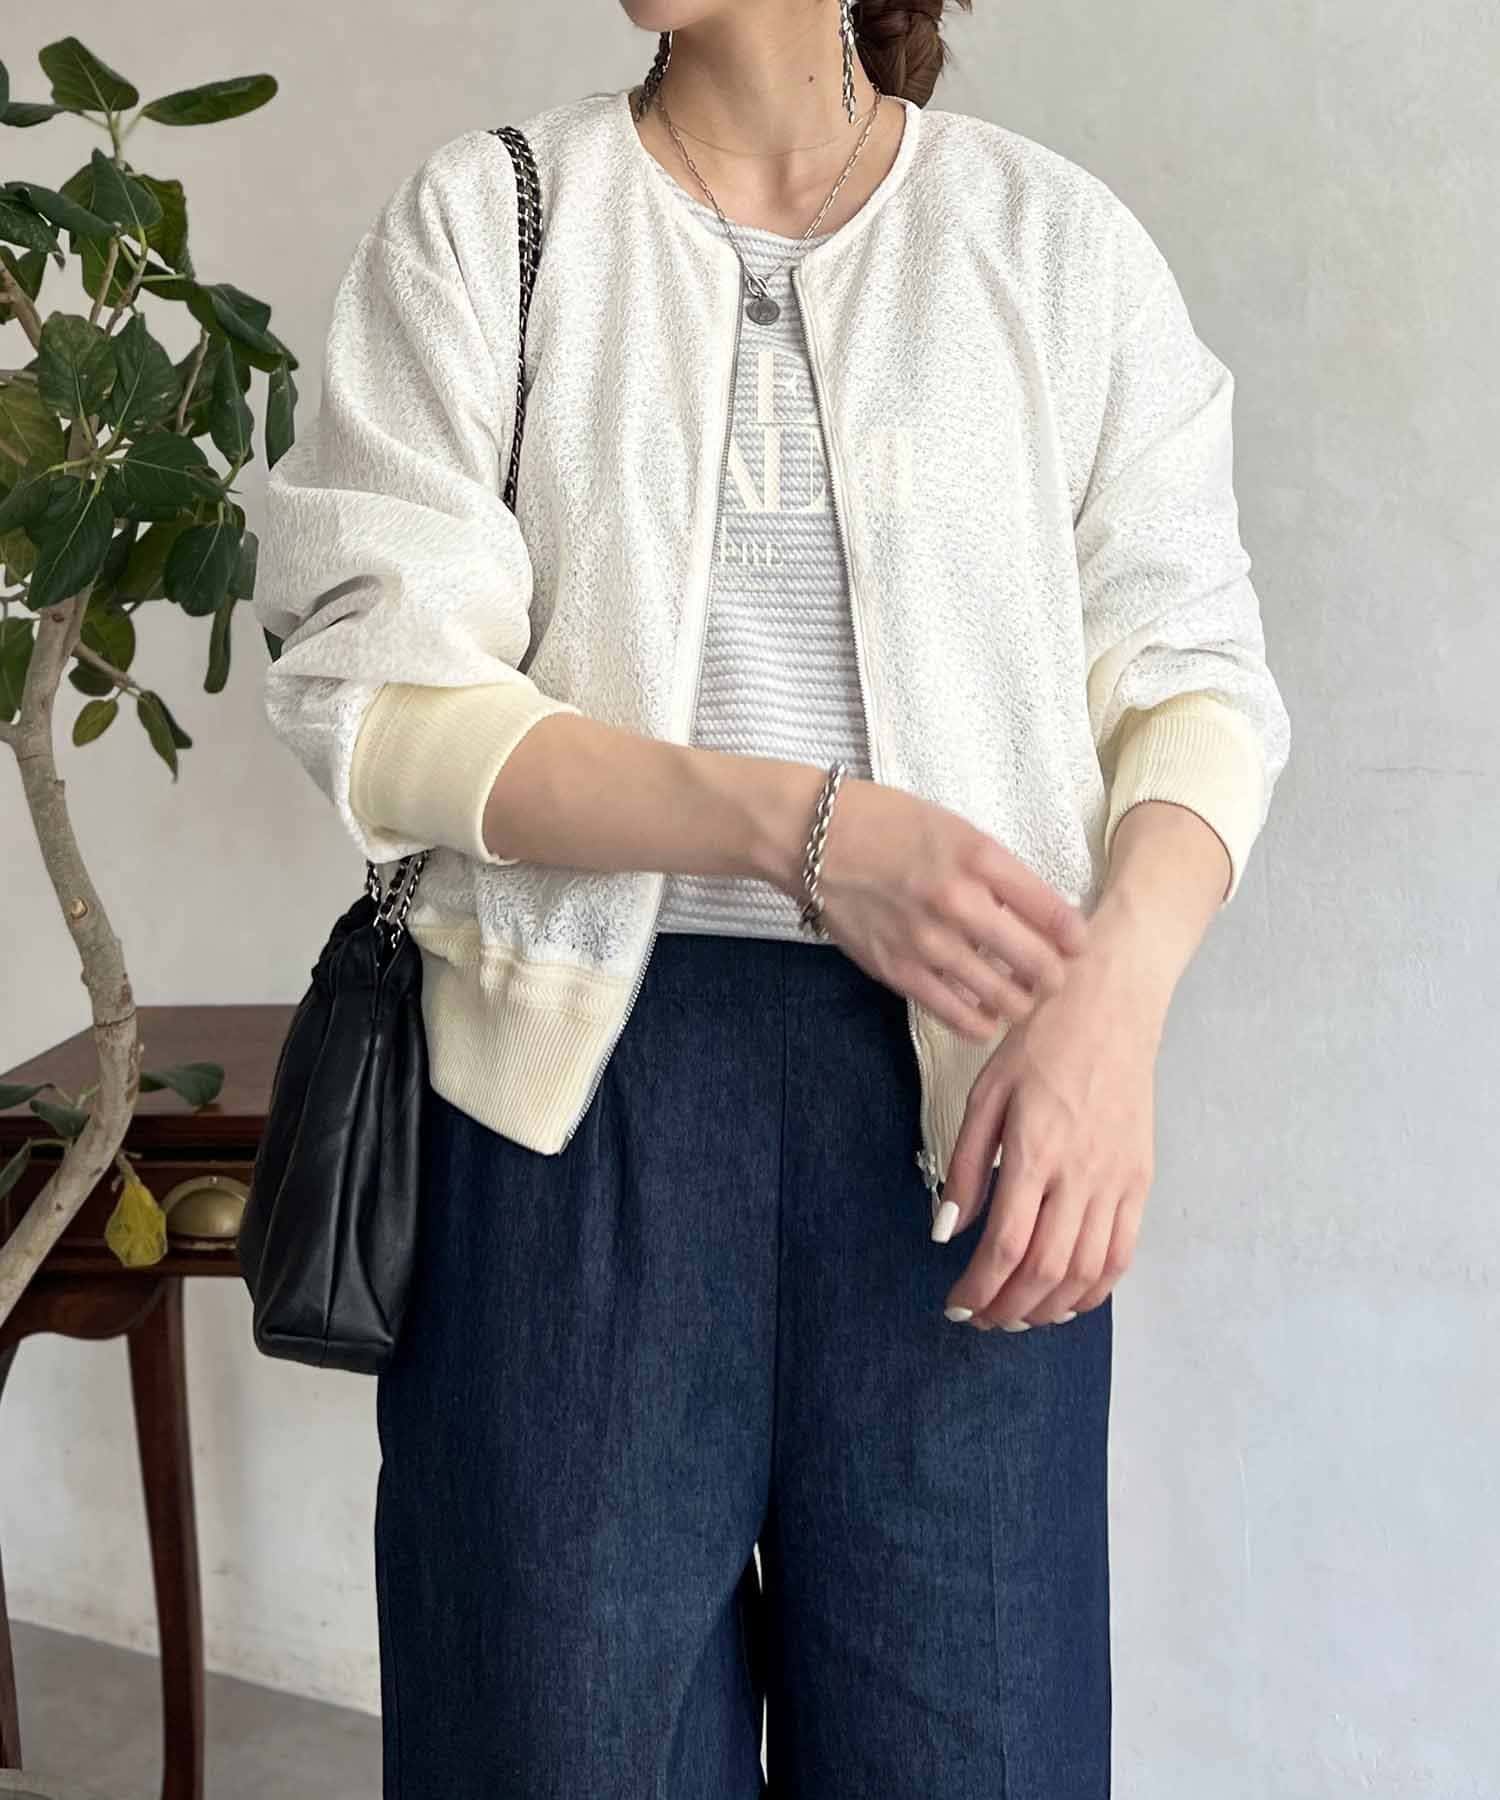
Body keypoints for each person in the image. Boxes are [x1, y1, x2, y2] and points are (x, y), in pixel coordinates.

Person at [253, 2, 1291, 1793]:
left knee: (978, 1754)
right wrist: (807, 829)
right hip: (571, 1125)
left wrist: (1116, 1009)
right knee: (551, 1751)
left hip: (976, 1119)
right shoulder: (492, 219)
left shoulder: (1050, 244)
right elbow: (375, 692)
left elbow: (1196, 684)